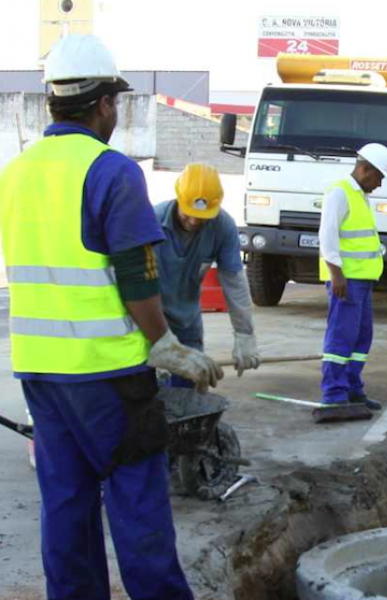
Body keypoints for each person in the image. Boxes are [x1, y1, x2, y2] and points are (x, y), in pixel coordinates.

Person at [0, 34, 223, 600]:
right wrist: (166, 344)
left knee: (67, 508)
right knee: (137, 506)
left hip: (41, 373)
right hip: (110, 379)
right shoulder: (111, 171)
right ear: (103, 104)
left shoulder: (17, 173)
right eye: (115, 104)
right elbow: (137, 277)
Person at [154, 163, 259, 386]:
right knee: (152, 401)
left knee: (187, 397)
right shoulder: (152, 222)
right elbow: (135, 285)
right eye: (189, 214)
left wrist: (245, 334)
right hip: (152, 323)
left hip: (186, 324)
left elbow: (234, 284)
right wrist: (153, 339)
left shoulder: (223, 227)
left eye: (201, 217)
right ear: (178, 199)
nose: (193, 222)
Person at [318, 143, 387, 411]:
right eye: (379, 177)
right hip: (347, 281)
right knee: (341, 336)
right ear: (365, 169)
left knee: (361, 337)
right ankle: (334, 394)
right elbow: (327, 236)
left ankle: (352, 388)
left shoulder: (358, 195)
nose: (379, 184)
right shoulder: (340, 193)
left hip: (361, 281)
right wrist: (336, 274)